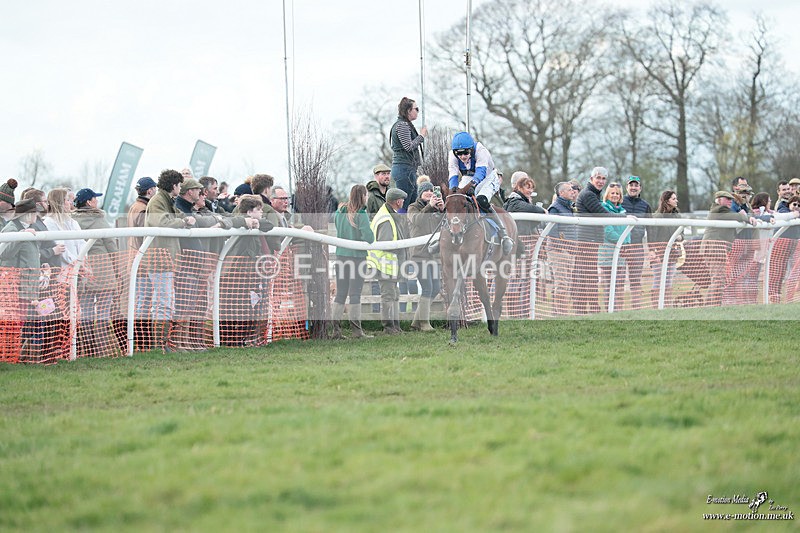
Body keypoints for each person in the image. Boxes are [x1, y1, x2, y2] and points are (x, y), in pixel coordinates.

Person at [144, 169, 195, 350]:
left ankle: (163, 343)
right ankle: (159, 345)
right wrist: (184, 222)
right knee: (163, 303)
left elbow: (176, 216)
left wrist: (185, 219)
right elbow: (163, 222)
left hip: (166, 259)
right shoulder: (158, 201)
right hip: (159, 260)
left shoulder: (166, 200)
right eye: (179, 185)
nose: (180, 188)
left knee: (166, 303)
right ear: (173, 185)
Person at [72, 188, 123, 356]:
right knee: (102, 314)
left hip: (83, 271)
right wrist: (119, 271)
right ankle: (102, 350)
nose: (97, 202)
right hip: (104, 271)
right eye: (95, 199)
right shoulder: (99, 220)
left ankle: (89, 350)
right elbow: (111, 247)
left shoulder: (72, 221)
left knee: (86, 314)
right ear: (88, 202)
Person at [448, 131, 514, 254]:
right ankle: (449, 232)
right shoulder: (452, 155)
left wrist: (473, 185)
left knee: (481, 199)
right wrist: (453, 191)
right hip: (468, 176)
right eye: (459, 154)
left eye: (466, 153)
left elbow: (481, 172)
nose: (462, 157)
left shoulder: (480, 151)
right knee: (456, 200)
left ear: (471, 150)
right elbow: (453, 174)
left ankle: (504, 234)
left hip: (488, 177)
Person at [0, 199, 44, 361]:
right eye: (35, 212)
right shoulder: (12, 229)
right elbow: (3, 254)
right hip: (15, 286)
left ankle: (16, 356)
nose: (38, 215)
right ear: (27, 214)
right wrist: (20, 236)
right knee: (14, 324)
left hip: (28, 285)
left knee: (22, 323)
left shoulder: (28, 228)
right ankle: (10, 357)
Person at [331, 185, 375, 339]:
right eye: (366, 195)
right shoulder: (361, 213)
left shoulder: (340, 211)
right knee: (355, 294)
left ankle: (336, 330)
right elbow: (369, 238)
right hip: (357, 258)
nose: (367, 198)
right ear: (362, 196)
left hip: (341, 257)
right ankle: (357, 331)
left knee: (340, 294)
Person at [701, 191, 757, 306]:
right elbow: (735, 216)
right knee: (718, 280)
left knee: (718, 280)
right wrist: (745, 216)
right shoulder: (719, 209)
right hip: (714, 248)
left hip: (717, 247)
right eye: (727, 199)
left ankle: (711, 306)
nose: (730, 201)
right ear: (719, 199)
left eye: (731, 199)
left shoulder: (722, 209)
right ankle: (711, 307)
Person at [367, 188, 408, 334]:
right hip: (385, 265)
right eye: (402, 200)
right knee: (388, 296)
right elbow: (386, 243)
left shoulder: (388, 214)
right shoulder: (386, 219)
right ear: (398, 201)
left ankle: (395, 326)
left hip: (389, 265)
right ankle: (389, 327)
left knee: (394, 295)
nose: (403, 202)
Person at [407, 181, 444, 331]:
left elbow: (443, 226)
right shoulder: (412, 207)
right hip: (418, 255)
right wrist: (430, 206)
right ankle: (424, 323)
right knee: (427, 287)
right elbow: (417, 220)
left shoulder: (434, 208)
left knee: (436, 287)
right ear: (420, 193)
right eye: (426, 190)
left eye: (431, 190)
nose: (429, 192)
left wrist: (442, 210)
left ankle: (416, 322)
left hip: (432, 255)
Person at [574, 166, 610, 314]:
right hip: (587, 241)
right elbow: (603, 214)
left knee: (585, 276)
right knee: (589, 276)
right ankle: (593, 309)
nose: (601, 181)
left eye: (603, 178)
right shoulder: (589, 195)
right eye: (598, 178)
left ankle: (583, 309)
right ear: (591, 179)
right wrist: (625, 217)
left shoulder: (594, 194)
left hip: (590, 241)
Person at [389, 97, 427, 211]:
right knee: (403, 205)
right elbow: (408, 146)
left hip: (407, 169)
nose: (418, 111)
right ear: (409, 110)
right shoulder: (402, 125)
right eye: (416, 109)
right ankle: (402, 228)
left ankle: (408, 227)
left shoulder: (404, 124)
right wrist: (421, 136)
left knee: (411, 204)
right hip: (404, 169)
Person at [546, 181, 578, 315]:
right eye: (570, 190)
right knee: (561, 285)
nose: (573, 192)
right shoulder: (555, 208)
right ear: (561, 193)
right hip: (558, 251)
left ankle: (558, 313)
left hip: (569, 251)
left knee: (566, 284)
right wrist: (562, 248)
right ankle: (561, 314)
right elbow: (552, 232)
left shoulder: (569, 208)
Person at [621, 176, 652, 309]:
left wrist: (651, 249)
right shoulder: (620, 202)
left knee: (635, 280)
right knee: (618, 280)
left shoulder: (645, 205)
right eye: (631, 185)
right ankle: (617, 309)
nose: (633, 188)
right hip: (621, 246)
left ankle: (636, 308)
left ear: (640, 188)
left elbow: (651, 228)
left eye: (636, 185)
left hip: (637, 247)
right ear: (627, 187)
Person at [598, 183, 630, 311]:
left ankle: (618, 311)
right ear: (607, 195)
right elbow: (608, 231)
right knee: (609, 286)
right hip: (608, 253)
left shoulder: (623, 211)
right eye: (612, 193)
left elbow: (627, 230)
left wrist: (626, 243)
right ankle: (609, 310)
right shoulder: (603, 208)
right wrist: (622, 241)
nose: (615, 195)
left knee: (619, 285)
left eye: (617, 193)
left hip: (621, 252)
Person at [648, 190, 683, 307]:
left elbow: (682, 233)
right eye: (674, 199)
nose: (676, 201)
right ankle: (656, 306)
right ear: (667, 201)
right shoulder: (657, 216)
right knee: (658, 281)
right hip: (659, 253)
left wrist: (680, 236)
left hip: (672, 253)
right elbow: (652, 236)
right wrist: (653, 252)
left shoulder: (677, 216)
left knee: (668, 281)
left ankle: (666, 305)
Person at [43, 188, 85, 267]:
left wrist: (83, 261)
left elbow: (81, 243)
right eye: (67, 200)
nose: (70, 203)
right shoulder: (49, 222)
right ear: (60, 202)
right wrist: (76, 264)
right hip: (63, 269)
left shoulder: (73, 222)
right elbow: (60, 247)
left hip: (79, 268)